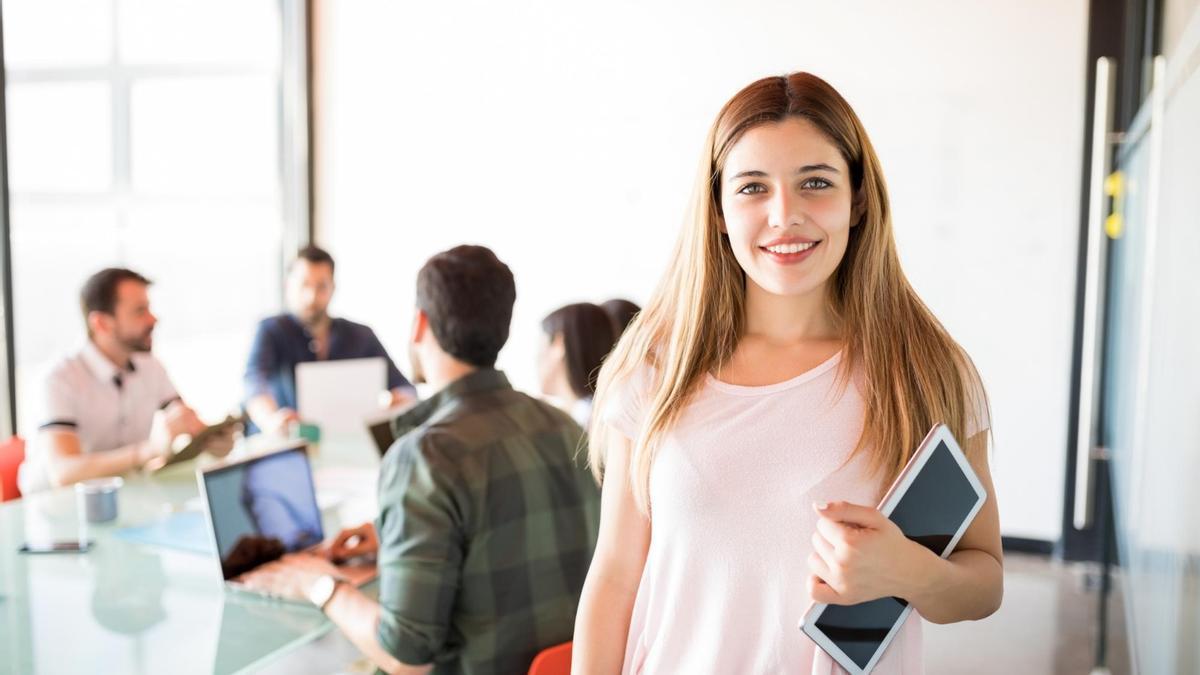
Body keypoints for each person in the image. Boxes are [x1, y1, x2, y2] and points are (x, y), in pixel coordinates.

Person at [572, 73, 1003, 673]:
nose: (785, 216)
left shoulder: (924, 370)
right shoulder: (654, 369)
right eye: (752, 188)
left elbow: (984, 584)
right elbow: (615, 577)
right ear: (719, 210)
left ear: (857, 200)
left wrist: (905, 570)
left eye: (815, 183)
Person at [246, 245, 601, 675]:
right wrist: (395, 532)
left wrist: (318, 585)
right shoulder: (563, 427)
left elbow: (405, 654)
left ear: (420, 324)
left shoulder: (425, 457)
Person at [19, 268, 236, 493]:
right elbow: (64, 472)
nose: (153, 319)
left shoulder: (149, 365)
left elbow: (187, 422)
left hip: (126, 496)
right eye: (139, 311)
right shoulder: (59, 379)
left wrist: (212, 443)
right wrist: (148, 451)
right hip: (55, 508)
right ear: (101, 323)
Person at [243, 246, 416, 435]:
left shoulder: (361, 335)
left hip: (348, 443)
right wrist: (270, 419)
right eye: (304, 284)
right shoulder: (271, 330)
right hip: (288, 445)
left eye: (321, 286)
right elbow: (254, 382)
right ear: (288, 285)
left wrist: (397, 404)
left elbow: (405, 388)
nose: (311, 296)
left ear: (333, 287)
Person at [537, 302, 617, 427]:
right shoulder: (605, 411)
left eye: (540, 346)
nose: (536, 358)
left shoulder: (584, 423)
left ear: (559, 345)